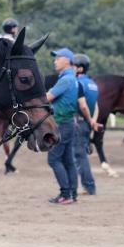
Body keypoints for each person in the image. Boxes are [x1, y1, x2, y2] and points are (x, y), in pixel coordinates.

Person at [46, 48, 79, 204]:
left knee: (53, 159)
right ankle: (72, 194)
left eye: (58, 58)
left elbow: (47, 98)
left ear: (66, 60)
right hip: (69, 123)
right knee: (68, 160)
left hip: (61, 124)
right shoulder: (71, 78)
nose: (55, 60)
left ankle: (65, 194)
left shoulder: (65, 80)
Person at [73, 54, 100, 195]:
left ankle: (88, 186)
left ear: (80, 68)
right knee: (80, 154)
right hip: (87, 123)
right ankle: (86, 185)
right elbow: (96, 105)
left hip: (78, 121)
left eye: (73, 66)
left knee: (79, 155)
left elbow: (83, 106)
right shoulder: (93, 84)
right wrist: (92, 120)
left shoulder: (78, 83)